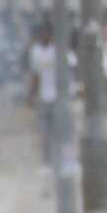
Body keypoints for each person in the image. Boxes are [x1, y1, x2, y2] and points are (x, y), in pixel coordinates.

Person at [26, 23, 72, 164]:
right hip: (44, 97)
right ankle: (47, 161)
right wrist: (31, 94)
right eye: (41, 34)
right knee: (45, 133)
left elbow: (73, 69)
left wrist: (76, 89)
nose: (43, 37)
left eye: (46, 34)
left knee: (64, 132)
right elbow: (35, 75)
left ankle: (68, 161)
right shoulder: (35, 52)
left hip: (61, 97)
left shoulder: (60, 51)